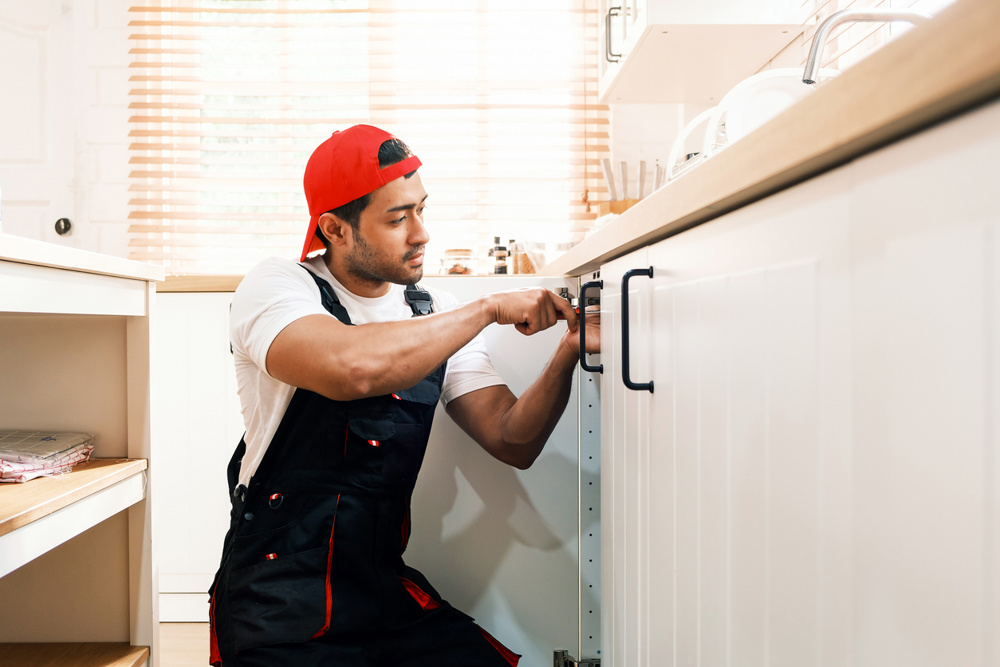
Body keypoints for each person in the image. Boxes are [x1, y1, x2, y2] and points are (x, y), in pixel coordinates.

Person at [209, 124, 600, 667]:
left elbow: (513, 439)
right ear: (334, 229)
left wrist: (567, 355)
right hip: (276, 601)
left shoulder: (430, 311)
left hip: (379, 593)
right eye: (397, 218)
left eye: (421, 209)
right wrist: (485, 308)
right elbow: (351, 368)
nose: (421, 234)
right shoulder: (277, 287)